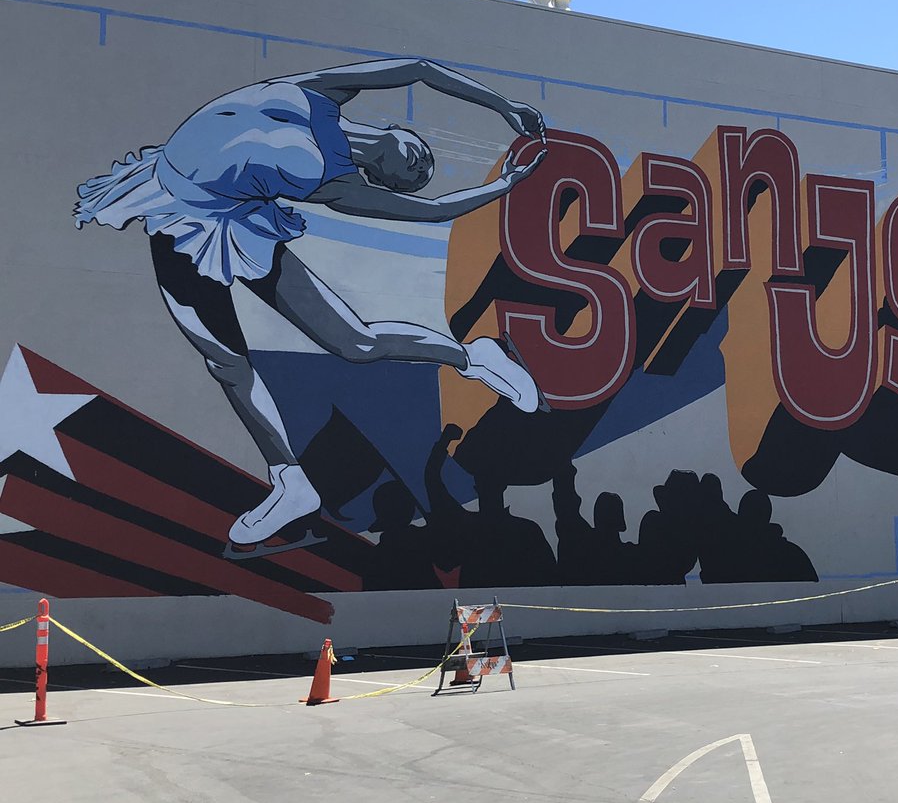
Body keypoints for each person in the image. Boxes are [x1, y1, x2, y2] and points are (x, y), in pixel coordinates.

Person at [74, 58, 549, 554]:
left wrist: (506, 185)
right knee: (226, 362)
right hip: (170, 199)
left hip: (221, 225)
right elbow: (419, 68)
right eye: (419, 156)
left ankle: (474, 359)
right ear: (396, 131)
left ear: (382, 179)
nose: (418, 164)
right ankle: (291, 483)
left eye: (415, 172)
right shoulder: (322, 94)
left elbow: (432, 211)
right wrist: (505, 105)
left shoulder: (337, 184)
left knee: (354, 342)